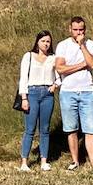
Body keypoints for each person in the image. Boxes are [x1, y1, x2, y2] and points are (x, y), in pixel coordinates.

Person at [55, 16, 93, 172]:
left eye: (81, 29)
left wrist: (82, 46)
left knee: (90, 128)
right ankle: (75, 161)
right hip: (68, 91)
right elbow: (60, 68)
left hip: (87, 91)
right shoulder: (62, 45)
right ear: (70, 29)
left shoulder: (91, 44)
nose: (78, 32)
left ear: (85, 30)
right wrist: (83, 64)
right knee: (71, 128)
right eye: (75, 30)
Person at [17, 30, 60, 171]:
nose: (46, 44)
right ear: (37, 42)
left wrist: (55, 85)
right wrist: (24, 98)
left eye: (48, 41)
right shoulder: (28, 56)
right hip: (32, 93)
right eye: (43, 41)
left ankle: (44, 161)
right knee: (30, 129)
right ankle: (24, 162)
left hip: (47, 94)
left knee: (45, 129)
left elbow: (60, 76)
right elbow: (23, 78)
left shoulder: (53, 58)